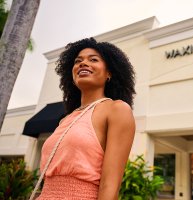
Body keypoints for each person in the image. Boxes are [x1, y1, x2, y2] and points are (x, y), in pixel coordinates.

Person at [36, 38, 136, 199]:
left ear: (109, 72)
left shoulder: (117, 110)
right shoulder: (66, 119)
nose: (83, 63)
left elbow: (110, 185)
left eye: (93, 59)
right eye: (78, 61)